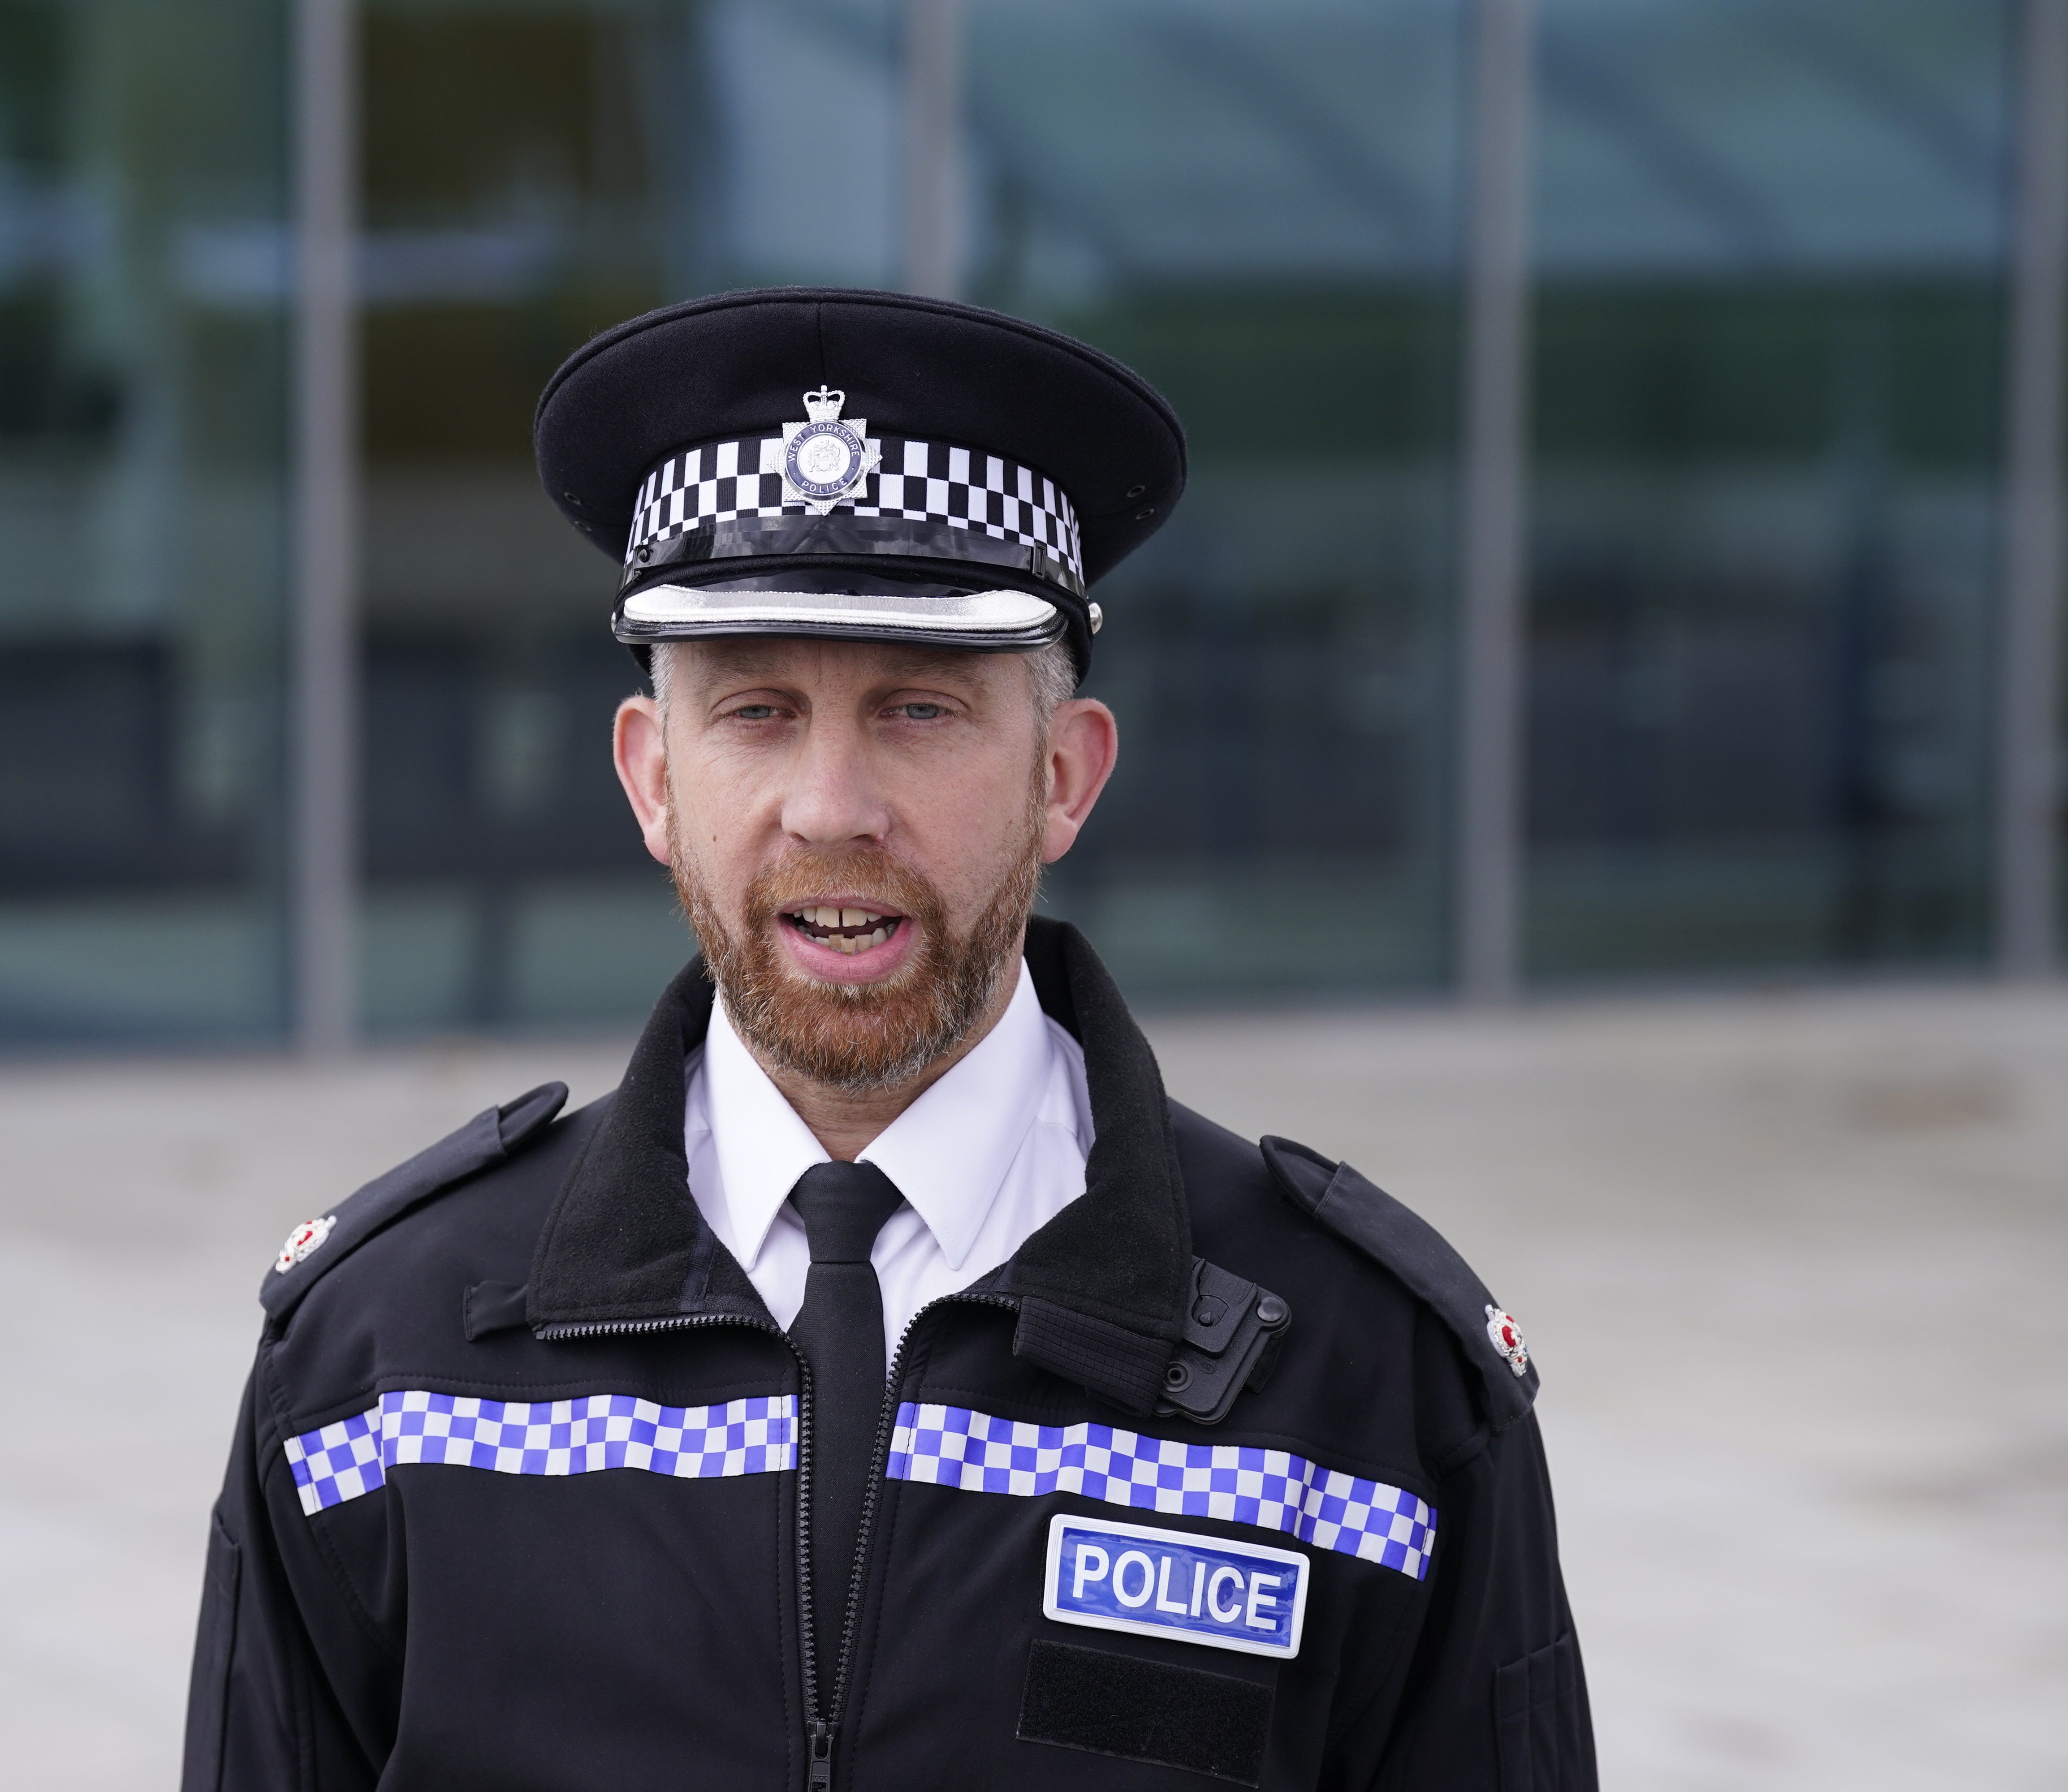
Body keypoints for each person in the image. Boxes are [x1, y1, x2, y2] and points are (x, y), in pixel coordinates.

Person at [183, 288, 1595, 1791]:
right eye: (759, 712)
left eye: (920, 711)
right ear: (653, 779)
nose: (833, 807)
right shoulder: (379, 1378)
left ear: (1066, 773)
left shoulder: (1373, 1395)